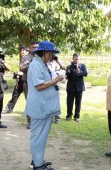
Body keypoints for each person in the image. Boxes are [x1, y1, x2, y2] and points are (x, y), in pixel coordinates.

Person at [25, 41, 64, 170]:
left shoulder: (41, 64)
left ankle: (37, 160)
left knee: (41, 136)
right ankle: (38, 165)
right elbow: (39, 86)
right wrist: (55, 80)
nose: (52, 56)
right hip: (39, 108)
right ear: (44, 53)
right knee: (38, 137)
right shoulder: (36, 65)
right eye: (51, 53)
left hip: (44, 107)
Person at [3, 47, 29, 114]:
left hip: (27, 81)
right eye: (21, 50)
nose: (21, 51)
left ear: (27, 51)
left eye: (23, 50)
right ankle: (9, 108)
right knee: (15, 94)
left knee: (28, 98)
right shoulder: (23, 58)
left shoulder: (30, 59)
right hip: (21, 79)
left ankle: (30, 112)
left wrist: (22, 73)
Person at [20, 42, 39, 129]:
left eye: (37, 47)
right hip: (28, 83)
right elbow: (22, 68)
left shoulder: (41, 57)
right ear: (30, 48)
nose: (35, 49)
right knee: (29, 102)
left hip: (39, 83)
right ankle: (30, 121)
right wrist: (30, 64)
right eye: (33, 47)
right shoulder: (26, 58)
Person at [65, 53, 87, 122]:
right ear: (73, 59)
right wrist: (69, 70)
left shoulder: (82, 66)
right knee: (69, 102)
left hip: (79, 88)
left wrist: (78, 71)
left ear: (79, 59)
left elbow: (85, 73)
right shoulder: (69, 66)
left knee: (78, 103)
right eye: (75, 59)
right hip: (70, 87)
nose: (76, 60)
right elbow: (67, 76)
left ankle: (77, 116)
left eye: (78, 59)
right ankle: (69, 116)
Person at [47, 54, 66, 123]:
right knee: (48, 101)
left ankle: (57, 117)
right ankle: (49, 116)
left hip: (56, 85)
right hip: (48, 84)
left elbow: (64, 68)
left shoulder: (57, 61)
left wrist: (57, 60)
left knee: (56, 102)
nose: (52, 55)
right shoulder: (45, 61)